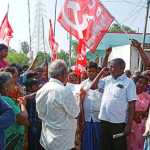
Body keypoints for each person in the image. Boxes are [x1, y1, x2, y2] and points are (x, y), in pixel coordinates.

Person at [36, 59, 80, 150]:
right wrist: (79, 98)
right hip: (62, 142)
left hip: (46, 140)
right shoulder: (64, 91)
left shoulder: (42, 90)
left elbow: (40, 114)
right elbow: (75, 112)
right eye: (67, 74)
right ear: (62, 75)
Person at [98, 58, 137, 150]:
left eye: (112, 67)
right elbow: (94, 86)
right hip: (104, 120)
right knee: (105, 146)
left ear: (121, 68)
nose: (110, 69)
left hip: (118, 123)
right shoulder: (106, 79)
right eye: (110, 67)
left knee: (118, 147)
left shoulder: (129, 82)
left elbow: (132, 105)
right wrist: (101, 72)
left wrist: (129, 124)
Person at [0, 71, 29, 150]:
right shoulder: (5, 100)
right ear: (5, 86)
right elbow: (23, 119)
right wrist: (23, 105)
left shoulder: (7, 100)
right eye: (12, 84)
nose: (15, 86)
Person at [81, 62, 103, 150]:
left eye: (93, 71)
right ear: (86, 71)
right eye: (89, 71)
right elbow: (80, 101)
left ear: (97, 71)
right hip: (86, 118)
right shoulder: (82, 84)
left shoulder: (103, 83)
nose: (91, 73)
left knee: (98, 141)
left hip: (98, 118)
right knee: (87, 142)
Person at [128, 75, 150, 150]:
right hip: (129, 124)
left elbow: (148, 112)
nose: (142, 85)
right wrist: (133, 114)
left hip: (141, 126)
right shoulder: (128, 94)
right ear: (135, 82)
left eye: (145, 84)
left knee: (140, 146)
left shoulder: (148, 97)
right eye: (140, 82)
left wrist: (142, 114)